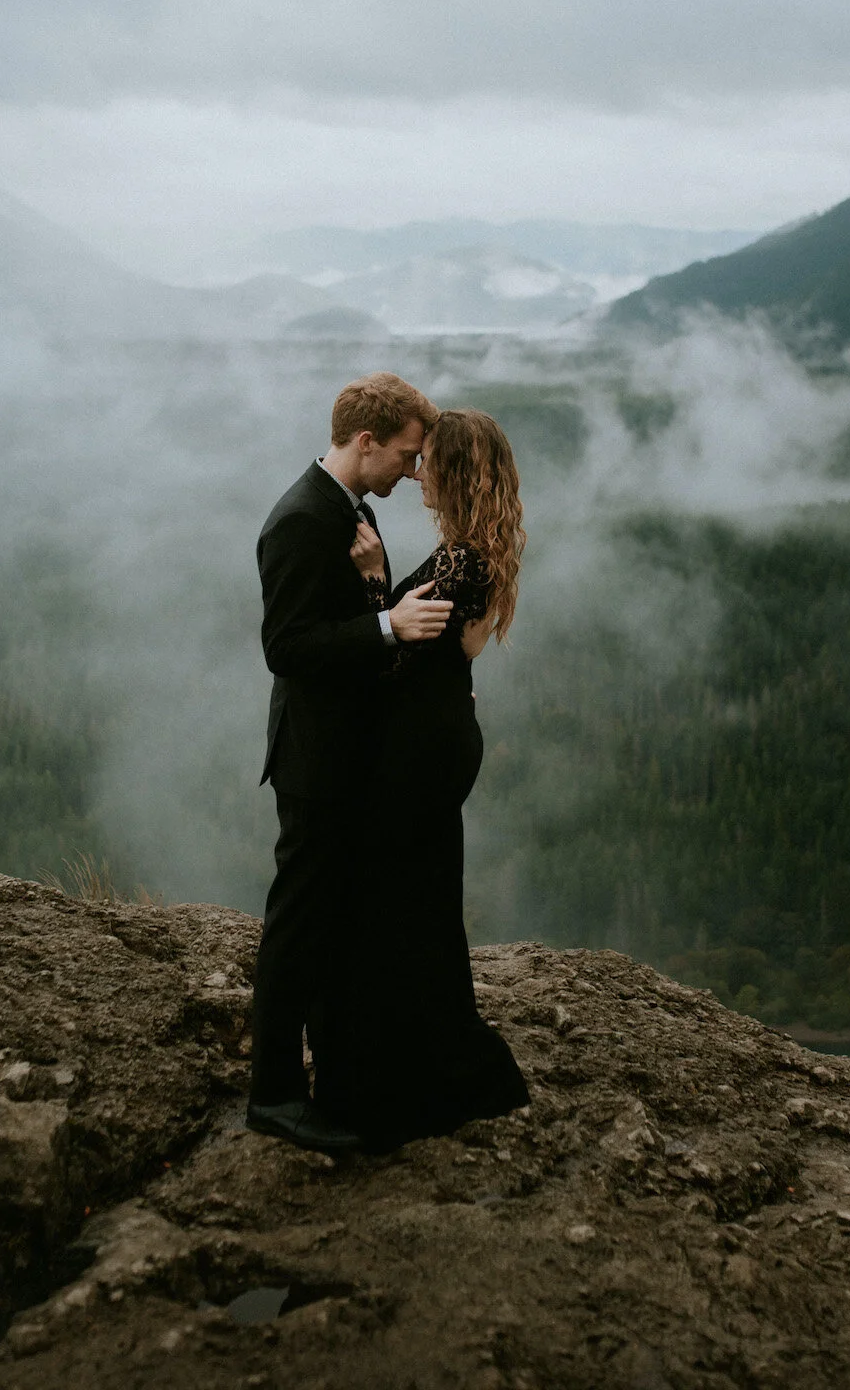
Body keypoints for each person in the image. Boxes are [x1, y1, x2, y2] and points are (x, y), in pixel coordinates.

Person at [313, 408, 530, 1150]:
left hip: (420, 749)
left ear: (458, 471)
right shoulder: (472, 553)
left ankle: (402, 1088)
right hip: (437, 739)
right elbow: (443, 655)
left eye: (427, 460)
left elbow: (395, 661)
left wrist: (375, 580)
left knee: (392, 904)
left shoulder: (461, 561)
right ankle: (440, 1073)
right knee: (420, 899)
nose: (416, 471)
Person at [248, 372, 450, 1155]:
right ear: (365, 442)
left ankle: (333, 1078)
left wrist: (376, 602)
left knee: (333, 922)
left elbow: (346, 624)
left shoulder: (349, 512)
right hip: (314, 762)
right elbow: (287, 648)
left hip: (345, 755)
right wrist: (390, 628)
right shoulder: (301, 520)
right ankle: (272, 1095)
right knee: (297, 926)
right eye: (406, 456)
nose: (414, 472)